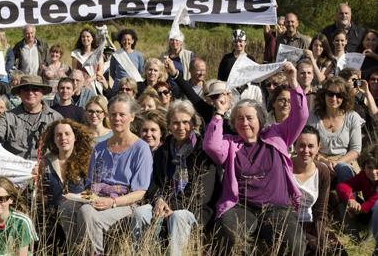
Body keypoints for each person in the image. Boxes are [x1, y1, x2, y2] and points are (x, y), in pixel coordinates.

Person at [203, 62, 308, 255]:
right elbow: (211, 146)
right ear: (233, 123)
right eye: (239, 119)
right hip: (241, 209)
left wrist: (293, 82)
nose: (245, 123)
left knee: (295, 242)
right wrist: (219, 112)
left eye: (249, 118)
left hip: (277, 209)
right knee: (229, 232)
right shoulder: (231, 143)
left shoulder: (277, 135)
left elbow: (301, 116)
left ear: (260, 119)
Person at [133, 100, 219, 255]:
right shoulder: (163, 151)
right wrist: (158, 199)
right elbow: (154, 183)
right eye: (176, 123)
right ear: (169, 125)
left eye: (185, 122)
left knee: (178, 216)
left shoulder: (203, 152)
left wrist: (170, 205)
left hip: (194, 209)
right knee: (140, 213)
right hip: (162, 204)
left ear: (194, 123)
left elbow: (202, 194)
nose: (181, 127)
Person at [72, 94, 152, 255]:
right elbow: (91, 182)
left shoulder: (141, 148)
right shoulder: (100, 148)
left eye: (122, 114)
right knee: (67, 207)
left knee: (87, 213)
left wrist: (113, 202)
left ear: (131, 117)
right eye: (113, 114)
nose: (117, 118)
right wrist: (86, 196)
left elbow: (140, 192)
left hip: (124, 203)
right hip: (97, 198)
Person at [292, 126, 346, 255]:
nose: (306, 150)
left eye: (311, 146)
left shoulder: (322, 172)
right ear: (294, 146)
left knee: (338, 252)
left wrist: (322, 241)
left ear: (318, 148)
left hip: (312, 223)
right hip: (289, 224)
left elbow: (320, 211)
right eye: (301, 145)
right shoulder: (285, 168)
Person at [38, 119, 93, 245]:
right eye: (59, 135)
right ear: (54, 139)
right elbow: (41, 192)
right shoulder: (45, 161)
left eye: (67, 134)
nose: (63, 138)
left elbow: (92, 193)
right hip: (51, 222)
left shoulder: (87, 161)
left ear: (75, 137)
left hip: (77, 219)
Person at [307, 77, 364, 183]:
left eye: (339, 95)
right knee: (320, 171)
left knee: (343, 170)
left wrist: (336, 163)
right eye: (330, 94)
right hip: (318, 159)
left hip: (344, 160)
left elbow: (356, 150)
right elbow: (308, 145)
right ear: (323, 94)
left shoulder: (352, 117)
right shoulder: (313, 117)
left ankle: (348, 199)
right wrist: (324, 161)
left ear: (344, 98)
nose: (334, 98)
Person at [0, 75, 62, 160]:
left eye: (35, 89)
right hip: (15, 169)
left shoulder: (56, 118)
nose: (30, 93)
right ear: (20, 94)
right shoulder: (8, 117)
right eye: (26, 89)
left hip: (45, 168)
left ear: (42, 92)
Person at [336, 149, 378, 248]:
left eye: (377, 168)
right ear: (364, 167)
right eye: (370, 168)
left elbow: (375, 199)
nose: (373, 172)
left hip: (374, 211)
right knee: (344, 204)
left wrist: (360, 209)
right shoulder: (363, 176)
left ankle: (370, 238)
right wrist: (351, 199)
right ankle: (354, 237)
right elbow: (342, 186)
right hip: (368, 211)